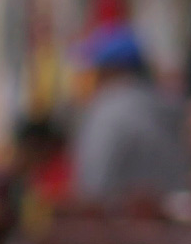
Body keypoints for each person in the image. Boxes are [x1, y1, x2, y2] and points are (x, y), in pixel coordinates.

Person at [67, 24, 179, 204]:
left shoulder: (106, 113)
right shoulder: (167, 105)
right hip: (174, 222)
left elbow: (93, 186)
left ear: (110, 70)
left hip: (121, 225)